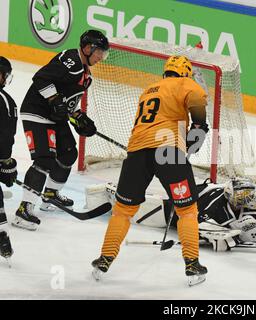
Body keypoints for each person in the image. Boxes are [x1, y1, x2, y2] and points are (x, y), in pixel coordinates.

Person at [91, 55, 209, 286]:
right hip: (169, 152)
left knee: (123, 210)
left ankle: (104, 259)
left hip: (137, 152)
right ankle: (192, 266)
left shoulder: (149, 90)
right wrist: (198, 130)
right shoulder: (187, 84)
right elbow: (198, 118)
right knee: (186, 210)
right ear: (185, 72)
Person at [13, 30, 108, 231]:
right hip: (37, 112)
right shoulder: (71, 60)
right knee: (44, 159)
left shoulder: (85, 76)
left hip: (53, 117)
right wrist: (54, 100)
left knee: (68, 153)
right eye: (99, 52)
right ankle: (24, 209)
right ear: (88, 48)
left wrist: (79, 118)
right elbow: (40, 78)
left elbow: (69, 105)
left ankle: (50, 195)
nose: (101, 57)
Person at [163, 178, 256, 251]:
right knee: (175, 212)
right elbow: (197, 222)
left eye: (249, 195)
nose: (248, 199)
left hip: (217, 187)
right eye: (241, 197)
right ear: (230, 197)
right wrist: (216, 236)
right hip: (198, 196)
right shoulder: (216, 206)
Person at [0, 57, 18, 261]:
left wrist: (4, 162)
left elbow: (5, 137)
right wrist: (5, 162)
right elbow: (6, 138)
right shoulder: (6, 101)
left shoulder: (5, 102)